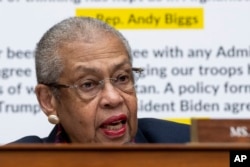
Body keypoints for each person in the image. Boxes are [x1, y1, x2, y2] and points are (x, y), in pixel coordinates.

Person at [12, 16, 190, 144]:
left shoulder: (186, 148)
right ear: (48, 100)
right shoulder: (16, 161)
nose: (113, 98)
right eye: (88, 84)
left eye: (122, 78)